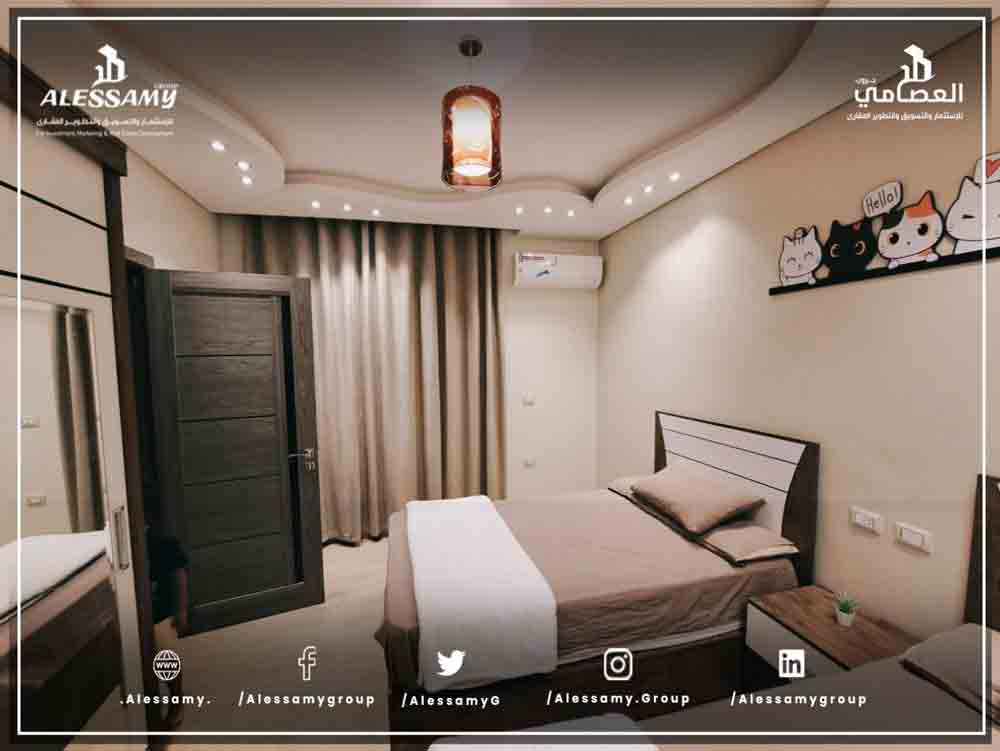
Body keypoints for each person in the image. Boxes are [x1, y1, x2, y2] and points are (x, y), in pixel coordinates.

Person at [146, 526, 189, 730]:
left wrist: (181, 609)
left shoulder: (162, 541)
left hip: (161, 612)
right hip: (134, 611)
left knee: (165, 658)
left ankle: (176, 700)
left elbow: (179, 575)